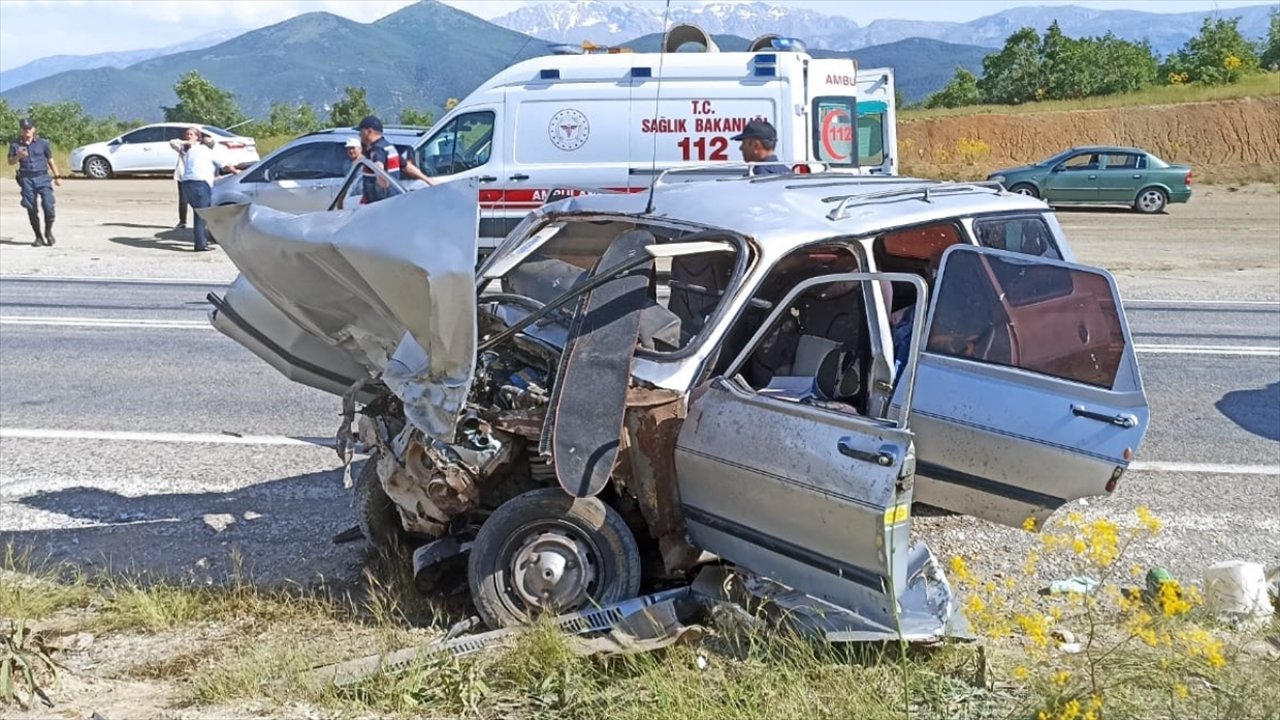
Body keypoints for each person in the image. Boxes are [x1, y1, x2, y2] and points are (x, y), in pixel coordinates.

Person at [172, 126, 238, 251]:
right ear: (211, 146)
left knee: (198, 213)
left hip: (187, 183)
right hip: (200, 184)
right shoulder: (208, 152)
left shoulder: (191, 150)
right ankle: (200, 245)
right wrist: (237, 172)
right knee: (202, 215)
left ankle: (201, 242)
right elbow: (227, 166)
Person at [7, 118, 61, 247]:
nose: (27, 131)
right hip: (27, 179)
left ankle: (48, 232)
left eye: (29, 128)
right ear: (21, 130)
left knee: (49, 207)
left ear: (34, 129)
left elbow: (50, 159)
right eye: (24, 129)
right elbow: (10, 162)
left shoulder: (42, 143)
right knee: (31, 208)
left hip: (42, 177)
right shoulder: (15, 144)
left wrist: (57, 176)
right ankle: (38, 236)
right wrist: (18, 156)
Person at [356, 116, 401, 204]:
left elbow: (379, 167)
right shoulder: (387, 146)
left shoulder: (376, 149)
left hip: (380, 204)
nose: (359, 135)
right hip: (393, 199)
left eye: (361, 131)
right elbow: (405, 165)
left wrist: (381, 186)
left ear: (369, 131)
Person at [174, 131, 214, 229]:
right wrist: (186, 143)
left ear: (197, 137)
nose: (189, 136)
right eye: (187, 134)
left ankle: (202, 226)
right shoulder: (183, 147)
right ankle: (182, 221)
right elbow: (172, 142)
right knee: (183, 201)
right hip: (183, 177)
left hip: (198, 177)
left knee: (199, 206)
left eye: (191, 134)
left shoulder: (199, 148)